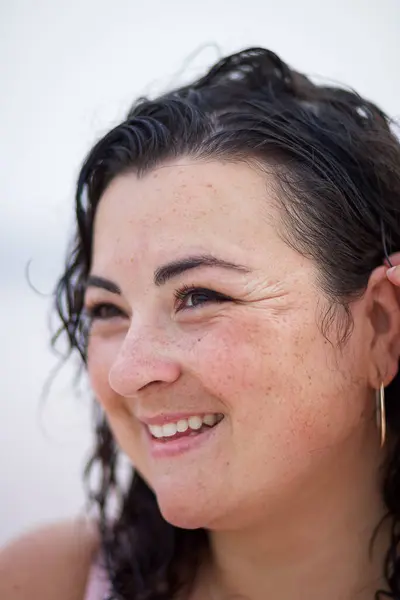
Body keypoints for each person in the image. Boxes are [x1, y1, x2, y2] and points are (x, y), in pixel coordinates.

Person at [1, 47, 400, 600]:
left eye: (198, 296)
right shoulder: (40, 584)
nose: (128, 373)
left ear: (380, 327)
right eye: (108, 311)